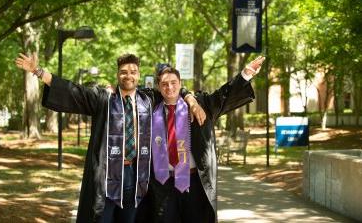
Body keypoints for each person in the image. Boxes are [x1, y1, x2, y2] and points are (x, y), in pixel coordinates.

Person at [15, 53, 205, 223]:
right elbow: (74, 90)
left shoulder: (148, 99)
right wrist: (38, 71)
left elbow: (172, 87)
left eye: (133, 71)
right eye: (123, 72)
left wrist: (191, 99)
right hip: (108, 174)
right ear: (117, 75)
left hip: (136, 174)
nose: (128, 75)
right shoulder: (104, 99)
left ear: (139, 75)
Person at [146, 56, 265, 223]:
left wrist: (245, 74)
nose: (169, 87)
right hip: (163, 184)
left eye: (173, 82)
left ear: (180, 84)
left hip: (195, 184)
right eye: (164, 84)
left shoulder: (201, 105)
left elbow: (224, 96)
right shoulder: (151, 107)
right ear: (158, 87)